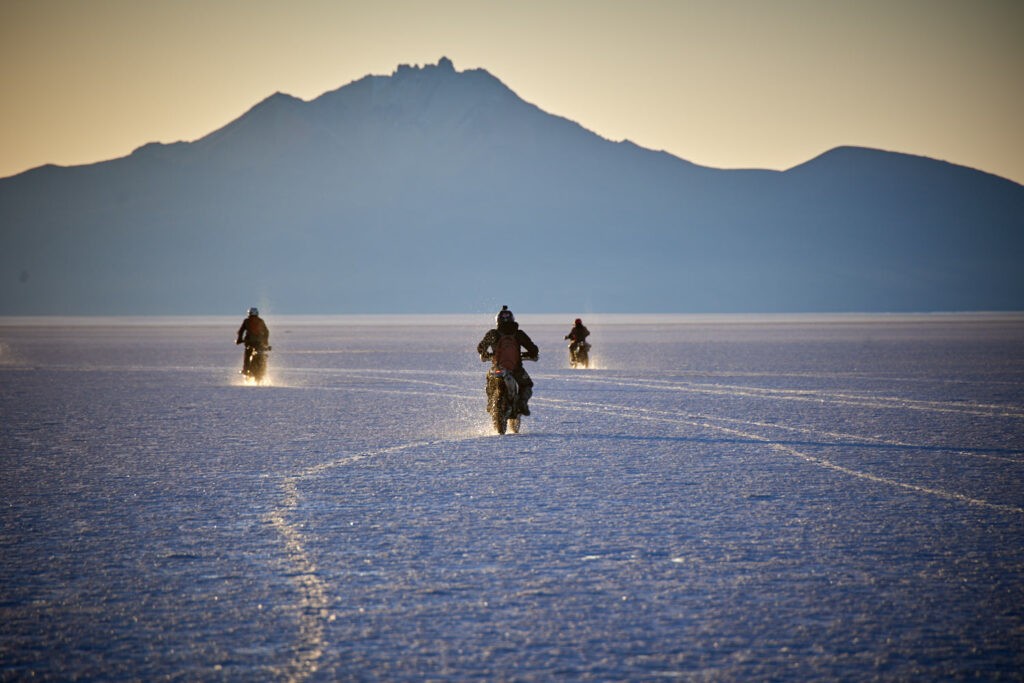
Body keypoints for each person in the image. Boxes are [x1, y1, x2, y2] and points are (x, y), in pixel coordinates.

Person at [477, 305, 539, 415]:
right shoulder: (519, 334)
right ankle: (522, 404)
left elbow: (480, 348)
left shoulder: (493, 333)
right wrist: (530, 354)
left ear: (497, 321)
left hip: (497, 368)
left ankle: (491, 402)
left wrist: (487, 354)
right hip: (516, 368)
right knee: (527, 384)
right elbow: (533, 349)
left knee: (489, 382)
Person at [236, 307, 270, 375]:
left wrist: (239, 339)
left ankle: (245, 370)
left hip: (249, 342)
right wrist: (265, 342)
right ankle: (262, 371)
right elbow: (266, 332)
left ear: (249, 313)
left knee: (247, 356)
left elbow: (241, 331)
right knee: (262, 353)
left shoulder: (247, 321)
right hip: (259, 343)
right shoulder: (260, 321)